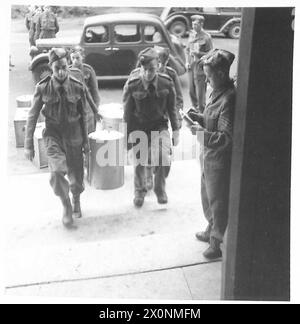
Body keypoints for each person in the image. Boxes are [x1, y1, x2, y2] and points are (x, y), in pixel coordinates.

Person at [24, 48, 89, 228]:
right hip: (53, 136)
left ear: (67, 65)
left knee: (76, 178)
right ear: (51, 68)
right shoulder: (43, 87)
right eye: (56, 68)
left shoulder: (77, 86)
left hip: (74, 135)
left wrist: (87, 143)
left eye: (63, 67)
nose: (60, 72)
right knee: (56, 172)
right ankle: (66, 206)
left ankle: (76, 197)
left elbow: (84, 116)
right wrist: (28, 144)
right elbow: (32, 115)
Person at [187, 49, 236, 259]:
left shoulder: (229, 99)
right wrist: (197, 118)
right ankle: (210, 229)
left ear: (221, 74)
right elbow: (211, 119)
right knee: (206, 195)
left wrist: (200, 134)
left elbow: (226, 138)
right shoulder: (216, 92)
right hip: (208, 157)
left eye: (208, 76)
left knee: (217, 201)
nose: (206, 80)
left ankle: (216, 243)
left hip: (219, 161)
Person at [123, 47, 180, 207]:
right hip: (138, 127)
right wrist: (126, 136)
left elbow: (172, 108)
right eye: (145, 69)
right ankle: (139, 191)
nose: (148, 73)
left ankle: (159, 188)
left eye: (152, 69)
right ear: (140, 68)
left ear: (158, 66)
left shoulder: (166, 83)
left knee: (163, 157)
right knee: (139, 162)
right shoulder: (133, 84)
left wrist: (176, 130)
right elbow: (127, 114)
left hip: (159, 126)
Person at [143, 46, 184, 191]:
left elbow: (178, 99)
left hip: (163, 122)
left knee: (164, 156)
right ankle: (148, 176)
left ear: (164, 62)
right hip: (146, 120)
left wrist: (176, 123)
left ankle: (159, 175)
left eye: (159, 61)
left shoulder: (170, 75)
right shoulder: (144, 72)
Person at [69, 46, 100, 134]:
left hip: (87, 104)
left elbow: (95, 91)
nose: (75, 60)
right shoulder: (68, 71)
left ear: (82, 57)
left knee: (89, 131)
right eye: (73, 58)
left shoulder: (88, 70)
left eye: (77, 58)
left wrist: (96, 108)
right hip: (73, 105)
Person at [186, 15, 213, 113]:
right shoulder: (191, 35)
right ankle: (195, 108)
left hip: (200, 68)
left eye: (196, 24)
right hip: (191, 66)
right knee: (191, 91)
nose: (193, 26)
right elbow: (187, 49)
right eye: (193, 24)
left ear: (201, 24)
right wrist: (186, 61)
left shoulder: (206, 37)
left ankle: (202, 113)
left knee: (200, 94)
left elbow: (211, 53)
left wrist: (199, 54)